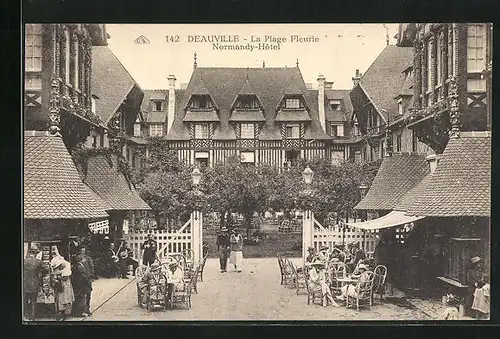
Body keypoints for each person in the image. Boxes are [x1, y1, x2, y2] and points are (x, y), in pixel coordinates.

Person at [50, 247, 74, 321]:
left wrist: (59, 277)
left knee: (64, 298)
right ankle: (60, 312)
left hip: (65, 284)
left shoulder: (66, 265)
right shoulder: (56, 261)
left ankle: (63, 313)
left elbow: (66, 275)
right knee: (60, 298)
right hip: (60, 284)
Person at [24, 244, 43, 321]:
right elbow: (41, 274)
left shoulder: (24, 261)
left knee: (25, 300)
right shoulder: (38, 262)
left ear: (30, 252)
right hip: (35, 284)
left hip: (25, 284)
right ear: (36, 253)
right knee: (33, 301)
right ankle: (33, 317)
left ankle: (26, 315)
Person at [76, 246, 94, 315]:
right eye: (82, 251)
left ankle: (87, 308)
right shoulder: (78, 258)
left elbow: (91, 266)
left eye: (84, 251)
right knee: (81, 294)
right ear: (80, 251)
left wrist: (91, 274)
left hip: (88, 277)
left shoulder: (88, 258)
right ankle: (81, 309)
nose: (83, 252)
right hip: (81, 279)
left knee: (88, 293)